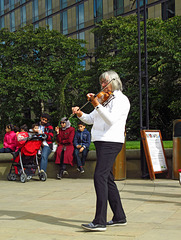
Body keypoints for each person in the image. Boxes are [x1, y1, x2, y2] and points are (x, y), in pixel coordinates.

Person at [72, 70, 130, 232]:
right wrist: (80, 114)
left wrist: (96, 103)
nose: (102, 85)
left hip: (110, 141)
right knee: (108, 179)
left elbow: (110, 120)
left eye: (105, 82)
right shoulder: (104, 99)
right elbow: (91, 119)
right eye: (101, 83)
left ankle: (100, 221)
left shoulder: (120, 99)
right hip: (102, 141)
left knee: (100, 176)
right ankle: (119, 216)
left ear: (114, 81)